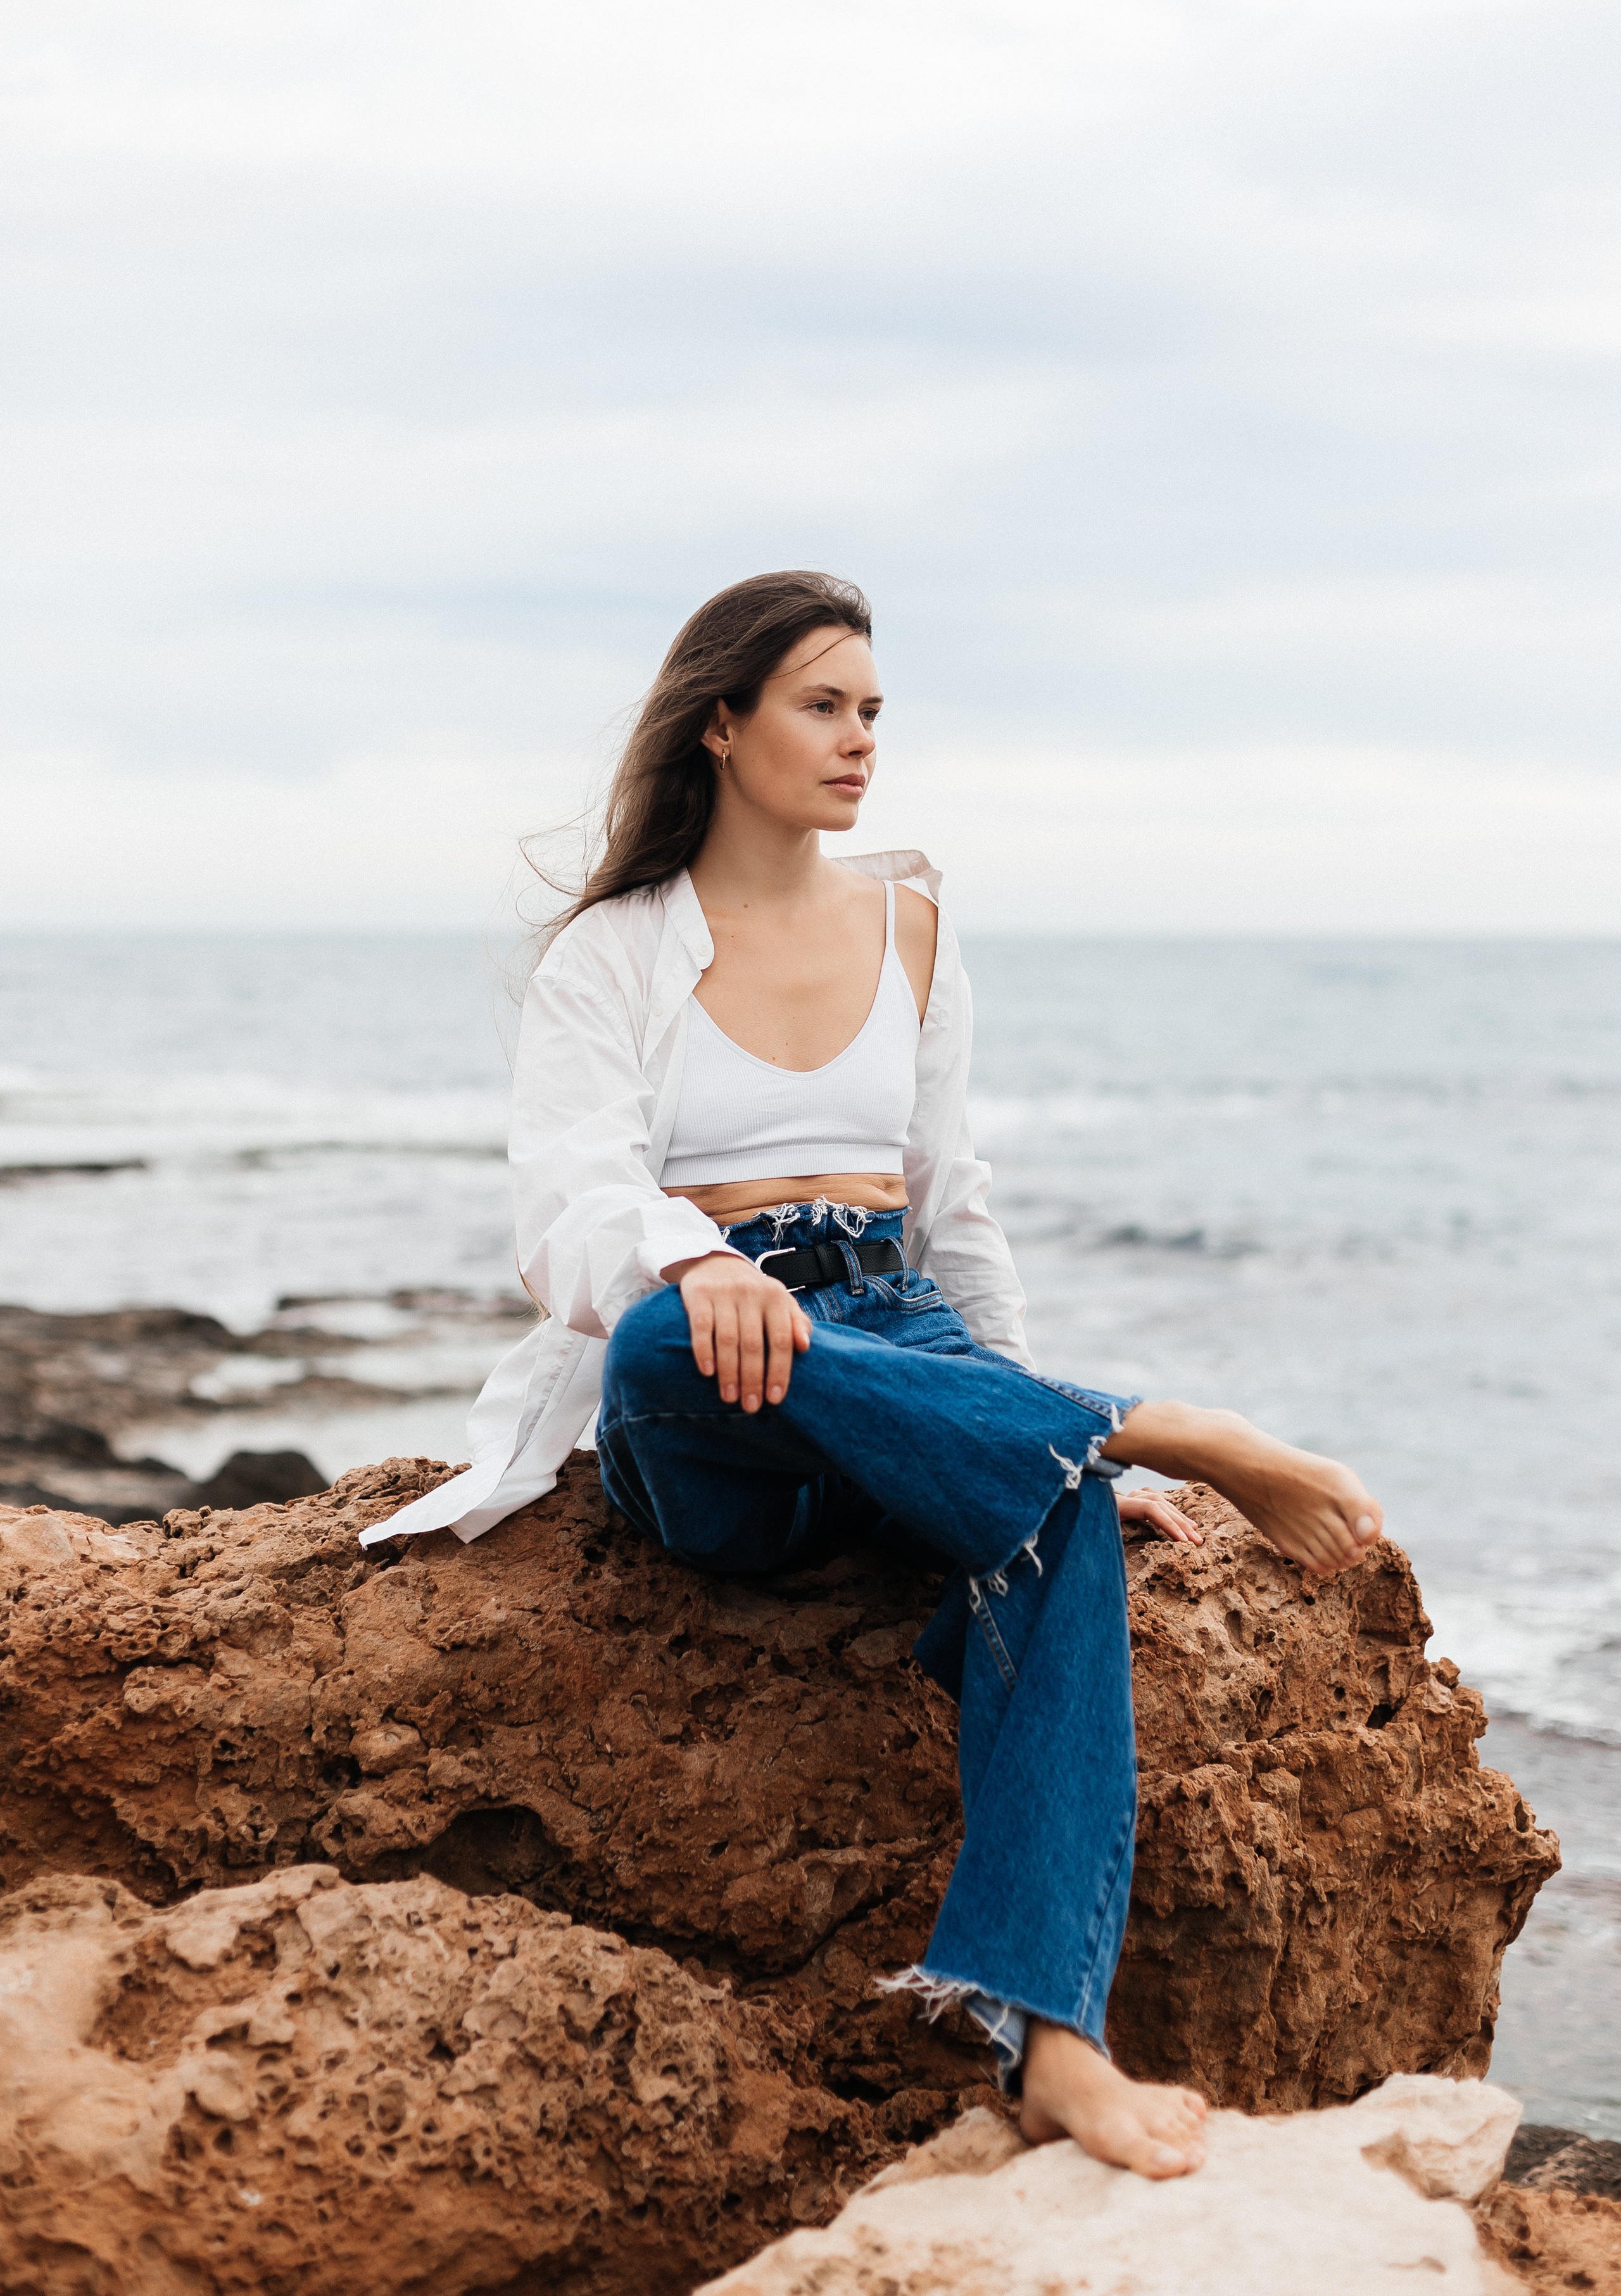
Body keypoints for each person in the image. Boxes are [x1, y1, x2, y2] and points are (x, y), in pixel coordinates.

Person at [360, 569, 1384, 2181]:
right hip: (718, 1390)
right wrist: (695, 1259)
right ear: (722, 722)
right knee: (649, 1331)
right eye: (822, 707)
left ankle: (1055, 2042)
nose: (857, 744)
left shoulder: (910, 921)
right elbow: (565, 1212)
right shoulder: (617, 954)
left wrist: (1026, 1420)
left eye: (871, 713)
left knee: (1058, 1525)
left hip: (896, 1342)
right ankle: (1140, 1425)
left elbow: (951, 1204)